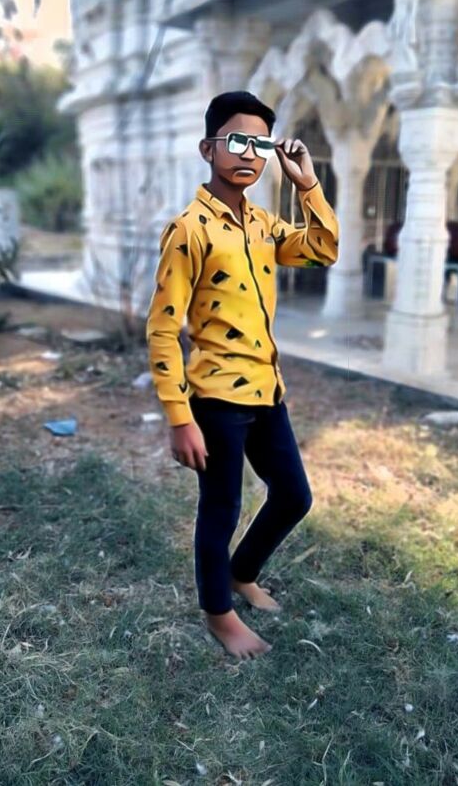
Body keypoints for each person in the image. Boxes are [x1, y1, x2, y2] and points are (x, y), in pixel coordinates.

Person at [145, 91, 339, 660]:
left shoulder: (262, 225)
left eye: (259, 143)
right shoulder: (189, 230)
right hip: (215, 399)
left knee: (294, 495)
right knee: (221, 508)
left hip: (266, 391)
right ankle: (219, 614)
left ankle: (240, 572)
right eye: (236, 141)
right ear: (208, 149)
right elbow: (163, 329)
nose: (249, 154)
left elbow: (322, 250)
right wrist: (179, 418)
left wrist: (307, 184)